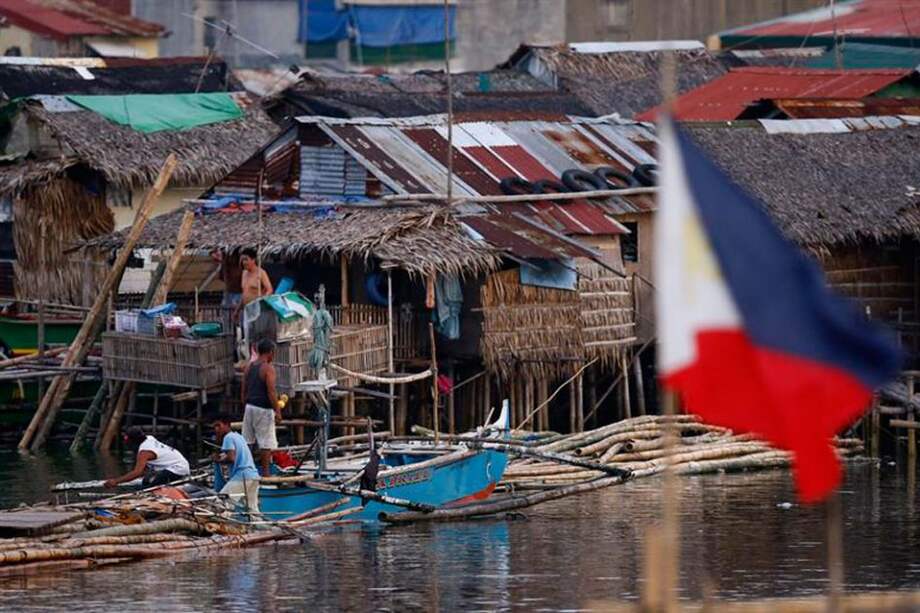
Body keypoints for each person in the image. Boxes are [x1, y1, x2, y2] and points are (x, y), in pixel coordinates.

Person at [242, 338, 281, 476]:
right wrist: (277, 411)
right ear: (270, 352)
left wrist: (245, 403)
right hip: (263, 409)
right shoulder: (268, 368)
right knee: (266, 443)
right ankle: (265, 474)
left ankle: (246, 470)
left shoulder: (249, 366)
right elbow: (271, 391)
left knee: (248, 440)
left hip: (249, 407)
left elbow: (244, 388)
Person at [104, 427, 190, 488]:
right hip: (181, 464)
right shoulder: (149, 438)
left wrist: (116, 481)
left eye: (126, 440)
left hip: (177, 469)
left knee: (151, 489)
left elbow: (137, 472)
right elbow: (142, 471)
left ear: (132, 440)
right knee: (145, 481)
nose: (125, 443)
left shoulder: (144, 452)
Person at [212, 415, 261, 514]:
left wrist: (217, 460)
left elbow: (231, 458)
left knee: (223, 502)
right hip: (253, 475)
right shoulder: (238, 436)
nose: (216, 429)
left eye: (219, 425)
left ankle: (221, 522)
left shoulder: (228, 437)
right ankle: (258, 523)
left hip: (242, 476)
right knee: (252, 508)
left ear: (227, 425)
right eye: (214, 427)